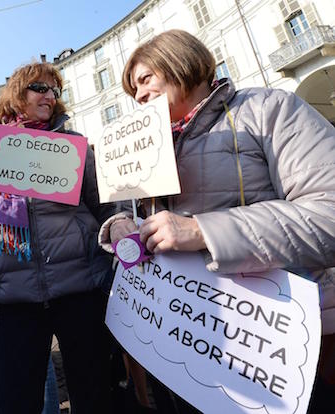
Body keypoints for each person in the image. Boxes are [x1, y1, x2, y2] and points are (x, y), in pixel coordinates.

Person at [100, 29, 335, 412]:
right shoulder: (149, 145)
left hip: (275, 344)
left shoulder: (267, 108)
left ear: (179, 61)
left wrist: (202, 231)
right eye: (134, 91)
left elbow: (328, 213)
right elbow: (143, 217)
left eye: (145, 80)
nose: (139, 96)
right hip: (189, 340)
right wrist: (121, 225)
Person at [0, 61, 116, 413]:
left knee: (95, 396)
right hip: (14, 298)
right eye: (39, 88)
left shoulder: (74, 145)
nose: (50, 96)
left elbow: (105, 207)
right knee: (15, 401)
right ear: (16, 94)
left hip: (80, 291)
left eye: (55, 90)